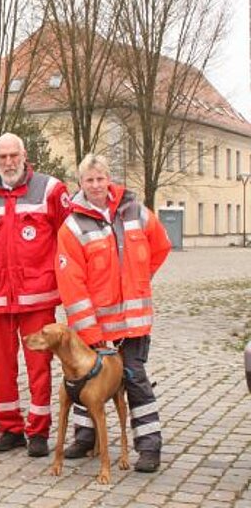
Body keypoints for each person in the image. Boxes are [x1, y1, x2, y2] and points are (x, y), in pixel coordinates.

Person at [56, 153, 171, 473]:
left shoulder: (135, 212)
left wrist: (140, 280)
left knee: (134, 379)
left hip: (133, 325)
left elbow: (160, 246)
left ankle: (149, 446)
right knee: (84, 378)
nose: (95, 185)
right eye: (89, 180)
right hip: (96, 326)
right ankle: (85, 437)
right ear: (80, 183)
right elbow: (72, 286)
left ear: (109, 179)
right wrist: (89, 332)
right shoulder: (72, 226)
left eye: (100, 178)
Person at [0, 133, 71, 458]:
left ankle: (38, 431)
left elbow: (68, 238)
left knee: (39, 367)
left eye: (14, 155)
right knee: (0, 366)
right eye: (2, 157)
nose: (9, 162)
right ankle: (10, 428)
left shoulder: (51, 189)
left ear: (24, 154)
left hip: (38, 297)